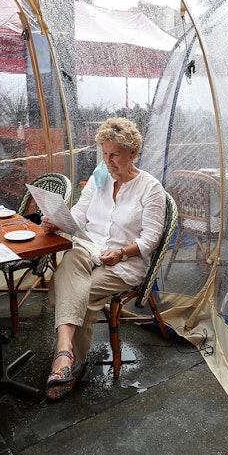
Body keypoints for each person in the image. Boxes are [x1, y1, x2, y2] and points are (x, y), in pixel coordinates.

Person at [40, 117, 166, 401]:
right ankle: (66, 352)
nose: (108, 161)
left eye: (115, 155)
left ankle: (69, 363)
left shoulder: (151, 188)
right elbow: (79, 215)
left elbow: (150, 239)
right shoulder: (100, 176)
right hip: (90, 248)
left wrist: (121, 252)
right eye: (105, 154)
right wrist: (57, 222)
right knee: (73, 259)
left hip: (124, 262)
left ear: (133, 153)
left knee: (73, 291)